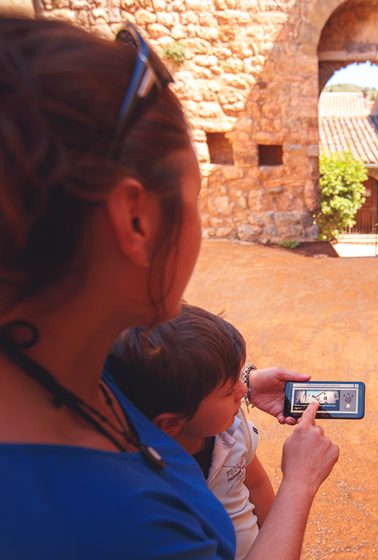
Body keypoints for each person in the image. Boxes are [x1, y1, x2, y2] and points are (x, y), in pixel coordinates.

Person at [0, 17, 338, 560]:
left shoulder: (69, 359)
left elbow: (148, 379)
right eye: (194, 201)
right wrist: (299, 484)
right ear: (136, 221)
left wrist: (238, 385)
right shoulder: (120, 524)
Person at [111, 304, 279, 560]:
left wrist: (277, 538)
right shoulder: (143, 479)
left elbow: (257, 482)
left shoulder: (231, 427)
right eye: (227, 392)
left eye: (239, 377)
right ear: (170, 424)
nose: (244, 391)